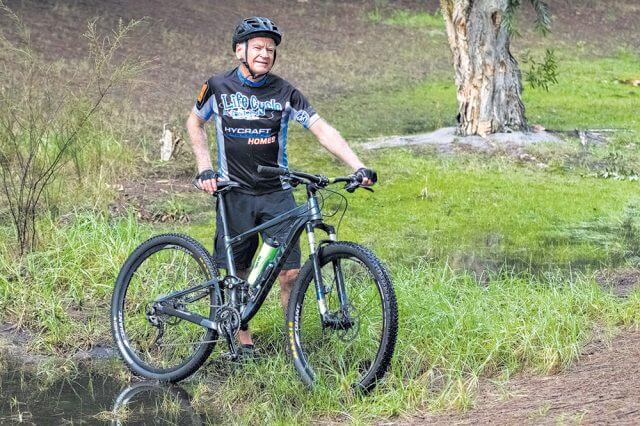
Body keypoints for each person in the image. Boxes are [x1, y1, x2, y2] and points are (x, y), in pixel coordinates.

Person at [186, 16, 377, 351]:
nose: (265, 53)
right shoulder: (217, 86)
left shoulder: (285, 92)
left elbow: (322, 129)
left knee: (289, 273)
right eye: (258, 47)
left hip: (278, 194)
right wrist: (205, 169)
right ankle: (241, 335)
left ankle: (294, 341)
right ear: (239, 51)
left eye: (270, 49)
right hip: (234, 193)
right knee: (238, 273)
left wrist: (358, 165)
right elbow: (194, 122)